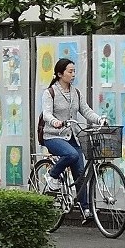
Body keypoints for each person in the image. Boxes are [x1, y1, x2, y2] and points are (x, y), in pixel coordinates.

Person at [41, 58, 106, 222]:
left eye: (74, 71)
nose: (73, 74)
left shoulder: (76, 92)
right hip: (53, 136)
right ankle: (52, 176)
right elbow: (47, 113)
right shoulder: (50, 93)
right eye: (70, 71)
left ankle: (85, 209)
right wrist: (54, 121)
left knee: (80, 173)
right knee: (72, 155)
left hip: (72, 137)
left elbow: (86, 110)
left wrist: (99, 120)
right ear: (59, 74)